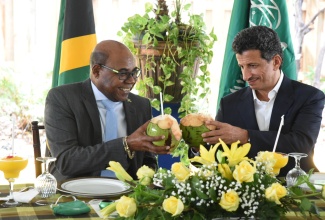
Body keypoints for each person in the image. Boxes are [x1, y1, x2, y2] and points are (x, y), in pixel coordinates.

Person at [203, 26, 325, 176]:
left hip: (296, 192)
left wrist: (245, 136)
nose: (246, 76)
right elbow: (216, 153)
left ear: (276, 62)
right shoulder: (229, 104)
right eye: (242, 66)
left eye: (252, 66)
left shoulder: (310, 97)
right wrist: (196, 144)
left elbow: (301, 145)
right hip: (243, 194)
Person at [44, 40, 170, 182]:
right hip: (77, 195)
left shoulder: (141, 105)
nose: (131, 80)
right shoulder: (63, 98)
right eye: (122, 73)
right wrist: (126, 145)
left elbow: (147, 161)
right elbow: (67, 161)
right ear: (97, 71)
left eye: (134, 72)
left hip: (127, 196)